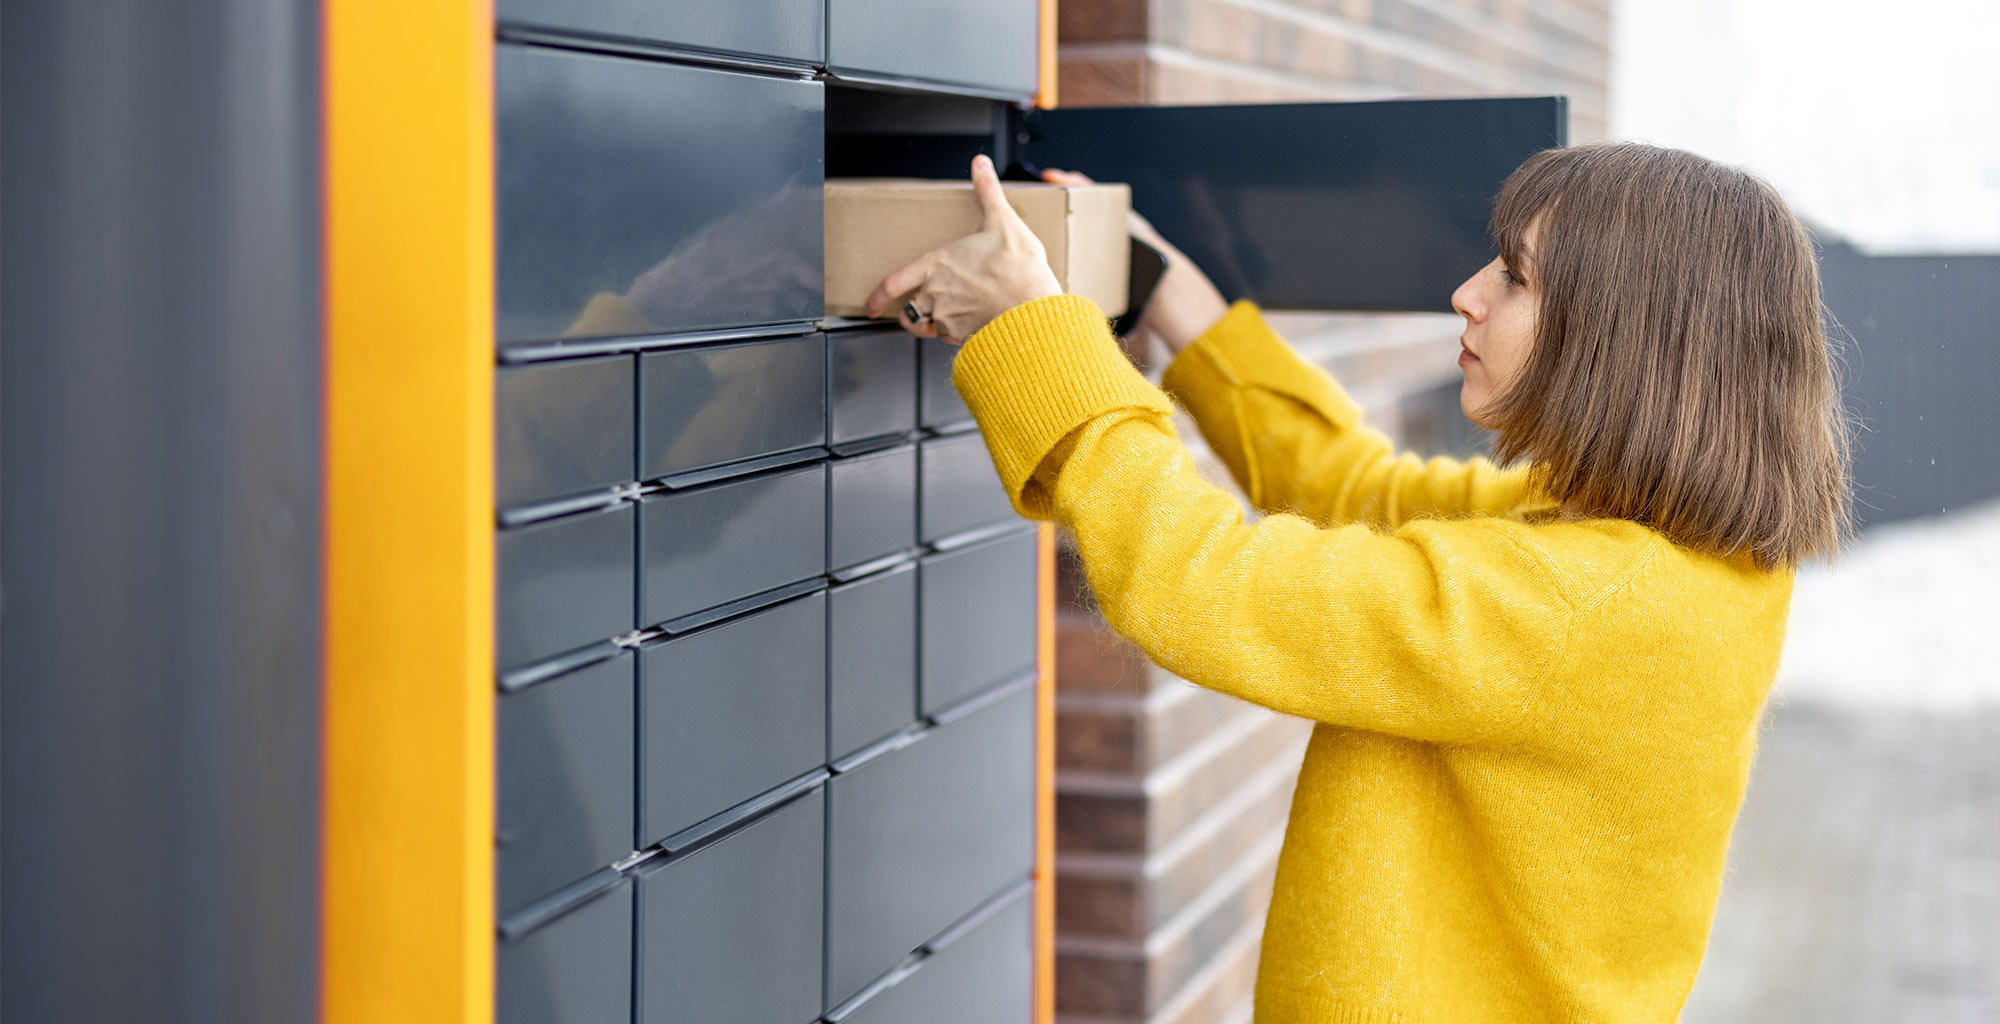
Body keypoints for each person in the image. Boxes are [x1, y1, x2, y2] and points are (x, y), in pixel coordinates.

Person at [863, 143, 1852, 1023]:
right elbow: (1352, 487)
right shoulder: (1668, 559)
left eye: (1513, 278)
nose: (1467, 292)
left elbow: (1196, 580)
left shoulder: (1570, 605)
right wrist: (1159, 285)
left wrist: (1035, 333)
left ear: (1623, 340)